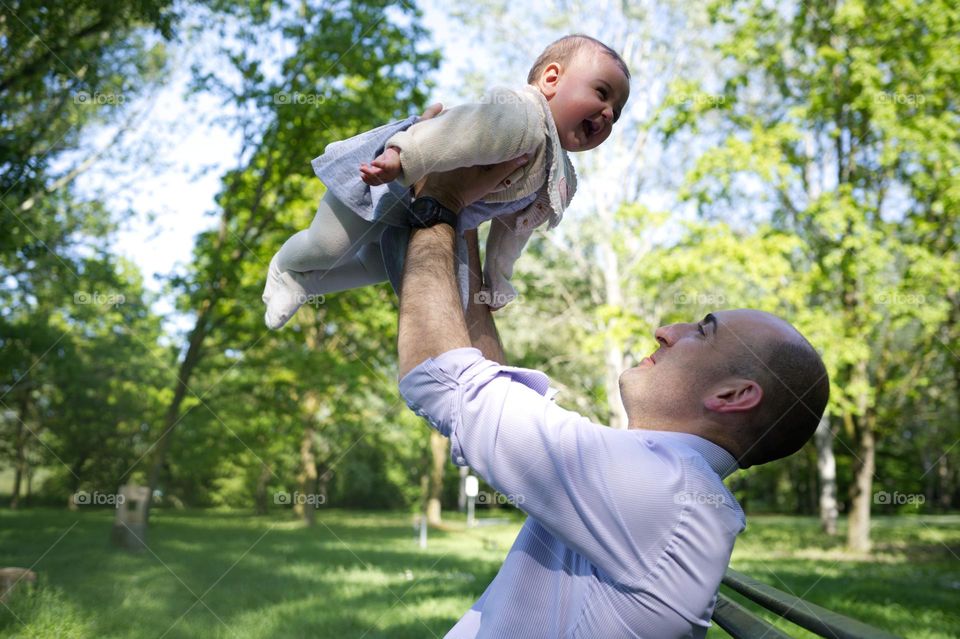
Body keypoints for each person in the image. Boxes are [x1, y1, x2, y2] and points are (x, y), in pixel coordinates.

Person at [394, 156, 831, 637]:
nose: (666, 330)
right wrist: (466, 223)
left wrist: (440, 201)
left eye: (703, 331)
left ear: (733, 395)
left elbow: (442, 381)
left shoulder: (662, 491)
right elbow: (487, 382)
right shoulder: (662, 485)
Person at [261, 34, 630, 329]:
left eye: (617, 111)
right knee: (328, 245)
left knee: (379, 267)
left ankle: (306, 284)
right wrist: (399, 157)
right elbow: (456, 133)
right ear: (551, 79)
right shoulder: (523, 118)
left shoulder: (556, 175)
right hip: (390, 174)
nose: (608, 112)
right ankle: (284, 265)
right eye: (601, 92)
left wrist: (497, 279)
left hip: (420, 212)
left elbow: (513, 230)